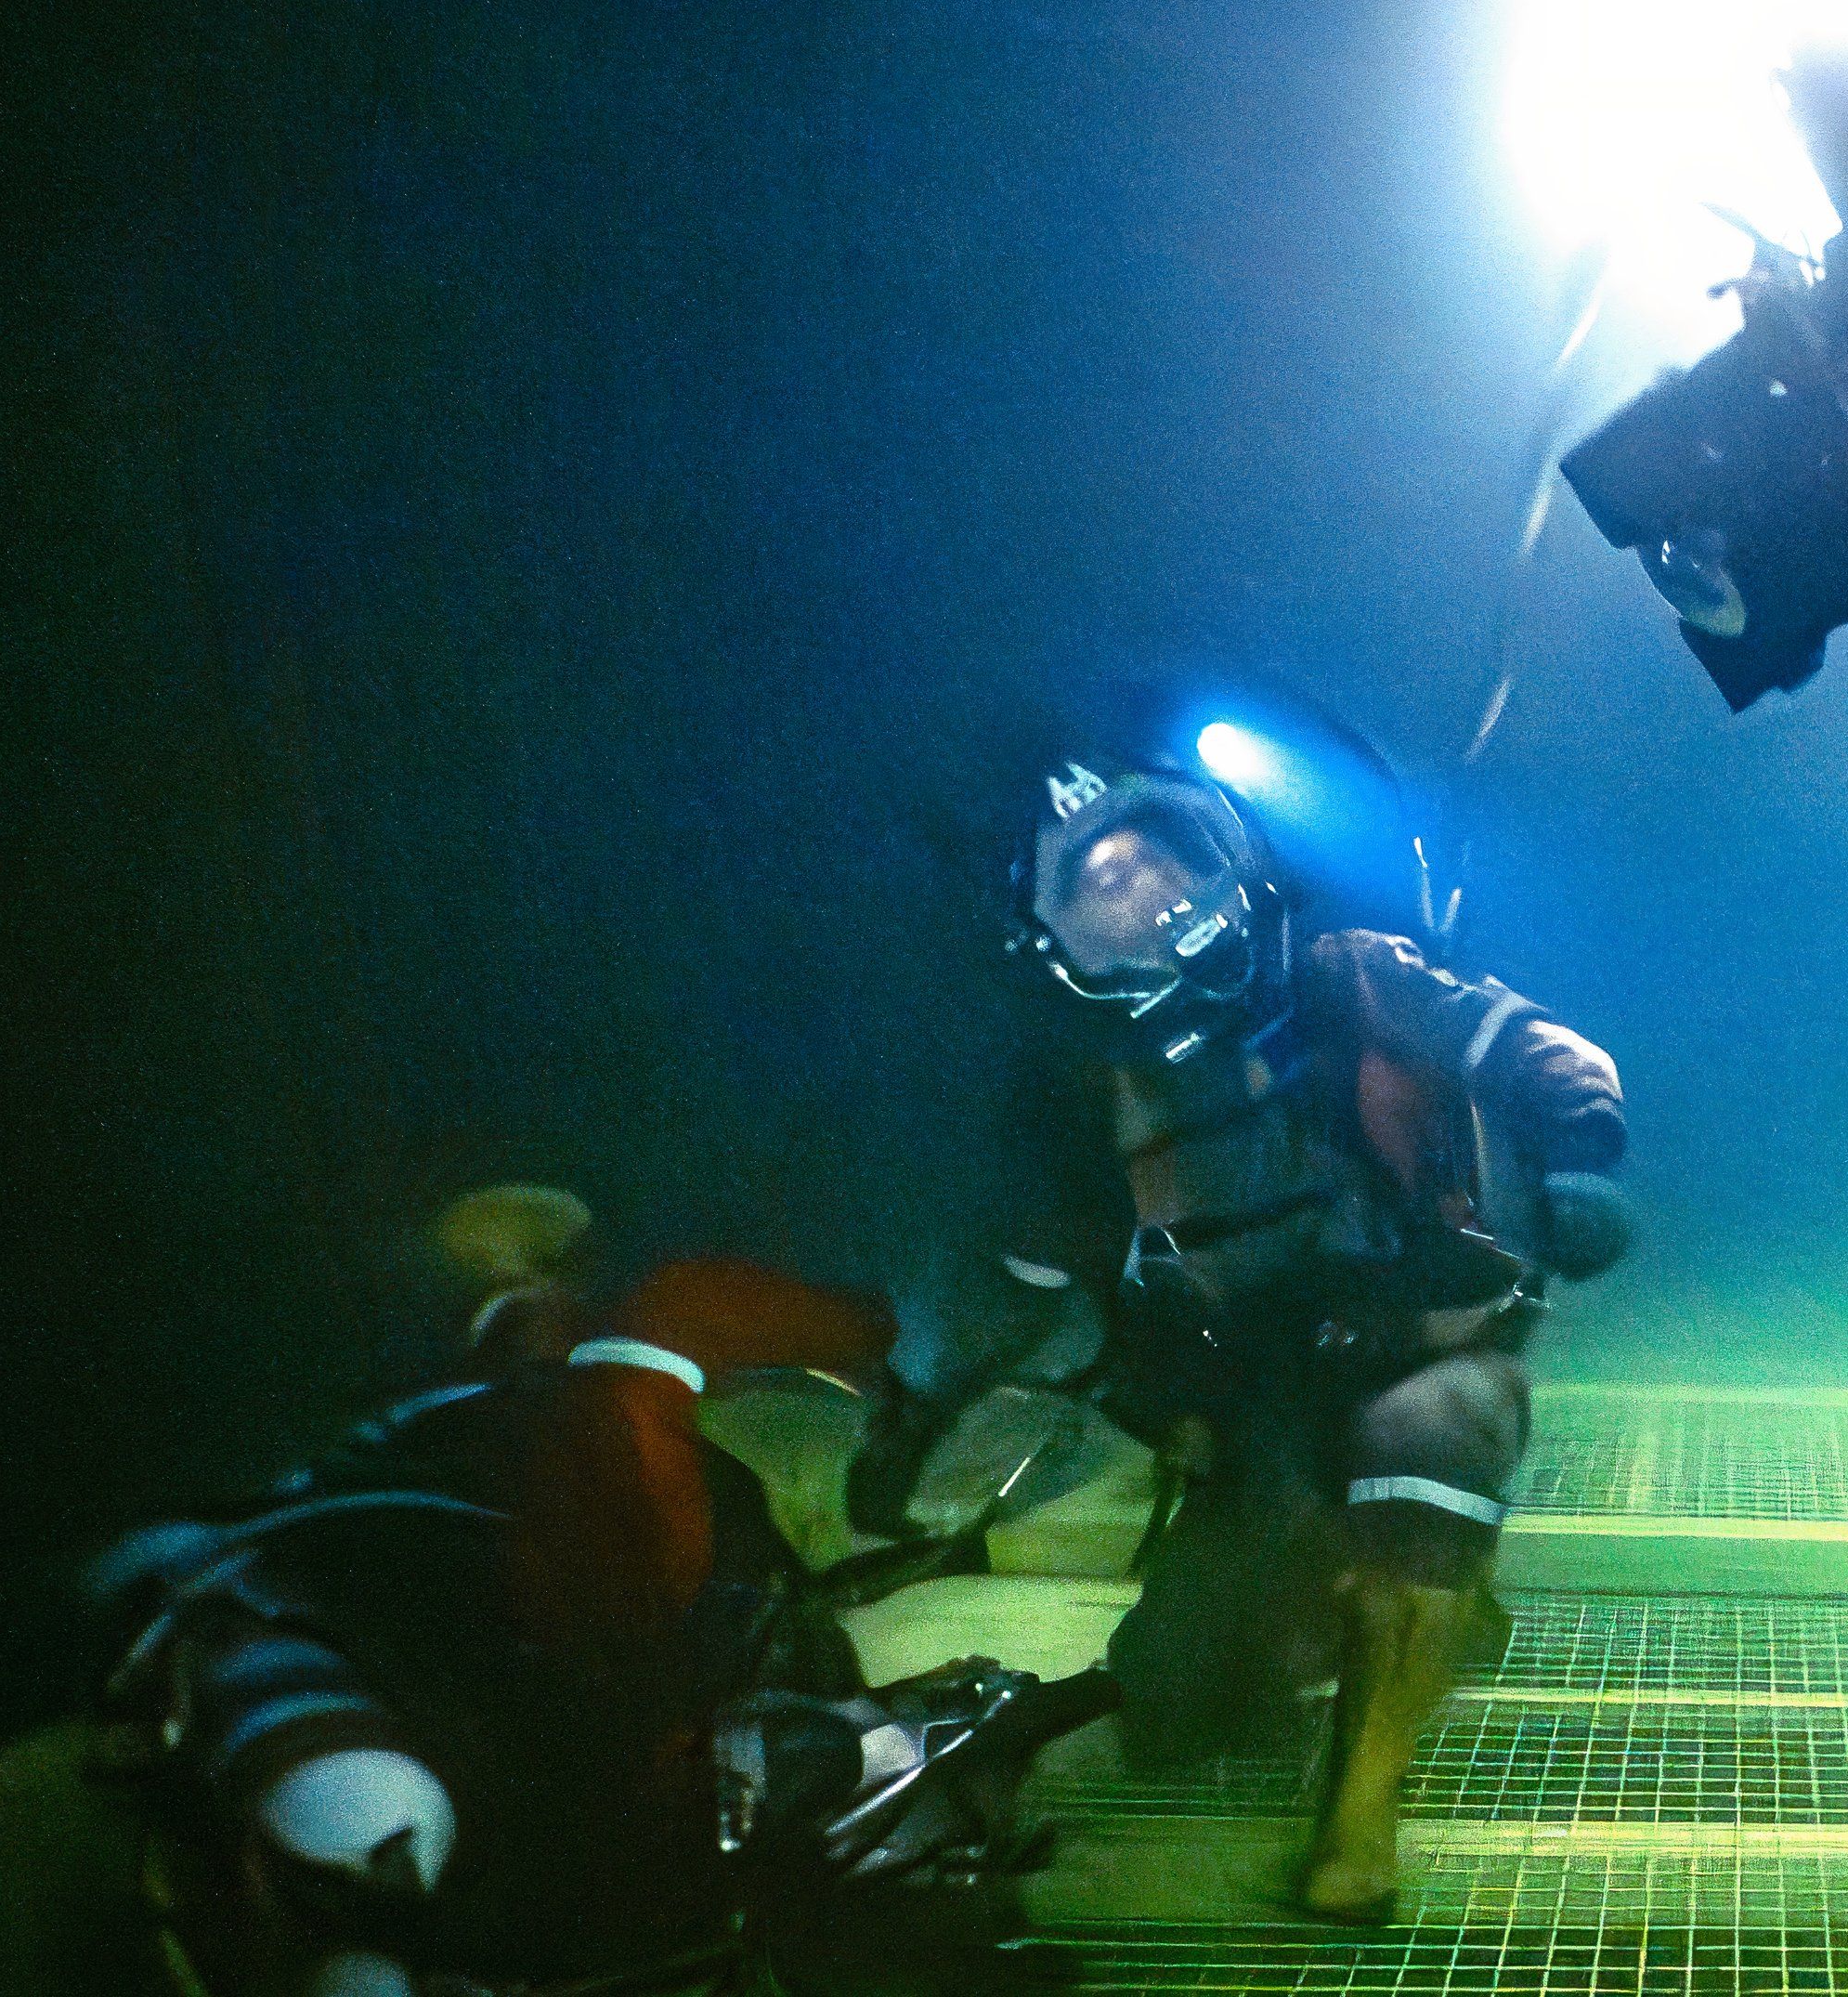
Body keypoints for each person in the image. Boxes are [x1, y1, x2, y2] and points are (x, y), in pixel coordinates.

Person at [857, 743, 1633, 1923]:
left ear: (1227, 865)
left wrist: (1571, 1095)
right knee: (1184, 1698)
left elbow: (1508, 1033)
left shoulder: (1350, 977)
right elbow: (1014, 1287)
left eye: (1160, 867)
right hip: (1252, 1399)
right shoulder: (1084, 1089)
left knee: (1430, 1454)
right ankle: (1397, 1607)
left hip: (1426, 1343)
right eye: (1101, 889)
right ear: (1053, 936)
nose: (1146, 901)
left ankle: (1359, 1830)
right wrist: (922, 1415)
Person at [93, 1255, 1109, 1996]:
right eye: (506, 1301)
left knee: (379, 1825)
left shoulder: (621, 1435)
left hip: (490, 1743)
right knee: (374, 1817)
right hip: (394, 1686)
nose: (531, 1302)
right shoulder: (533, 1428)